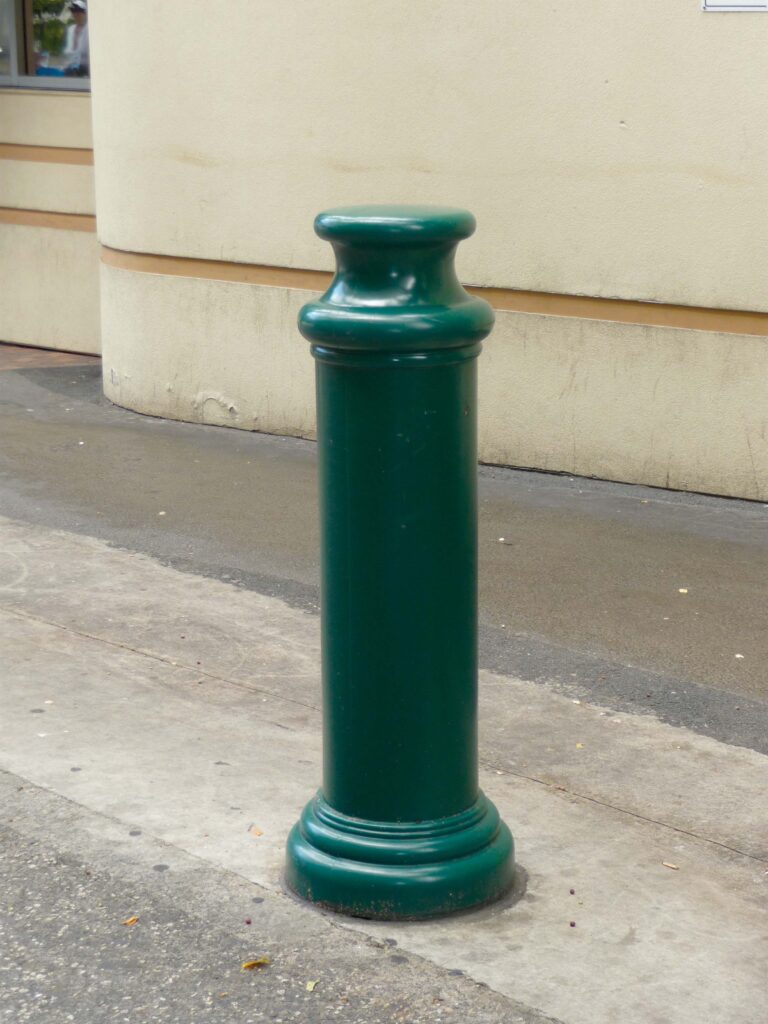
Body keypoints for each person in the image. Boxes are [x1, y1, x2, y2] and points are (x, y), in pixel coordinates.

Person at [63, 1, 89, 77]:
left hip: (86, 67)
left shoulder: (89, 29)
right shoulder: (71, 29)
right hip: (70, 67)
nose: (75, 15)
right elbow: (68, 50)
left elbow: (85, 51)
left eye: (78, 12)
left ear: (85, 13)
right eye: (73, 12)